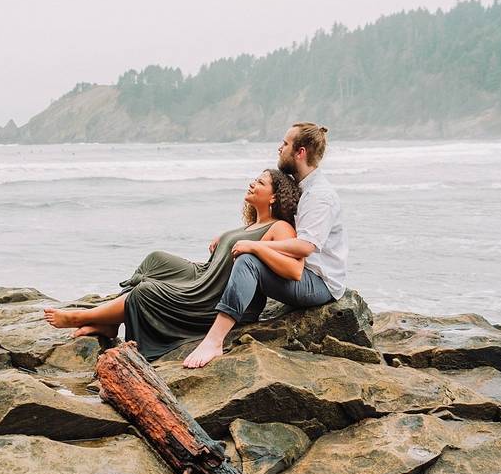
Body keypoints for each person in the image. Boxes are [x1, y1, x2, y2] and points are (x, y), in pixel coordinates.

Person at [43, 168, 303, 361]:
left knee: (148, 291)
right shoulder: (251, 225)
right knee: (156, 261)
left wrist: (253, 245)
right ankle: (112, 321)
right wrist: (225, 242)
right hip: (205, 276)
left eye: (260, 182)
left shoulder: (280, 227)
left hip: (213, 297)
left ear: (273, 197)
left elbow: (293, 270)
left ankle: (83, 316)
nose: (252, 183)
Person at [182, 122, 348, 368]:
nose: (279, 148)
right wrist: (234, 236)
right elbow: (271, 223)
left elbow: (305, 247)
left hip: (319, 284)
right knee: (246, 252)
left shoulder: (319, 196)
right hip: (297, 270)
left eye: (285, 144)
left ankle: (214, 341)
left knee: (249, 260)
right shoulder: (302, 186)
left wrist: (255, 246)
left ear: (300, 152)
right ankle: (231, 313)